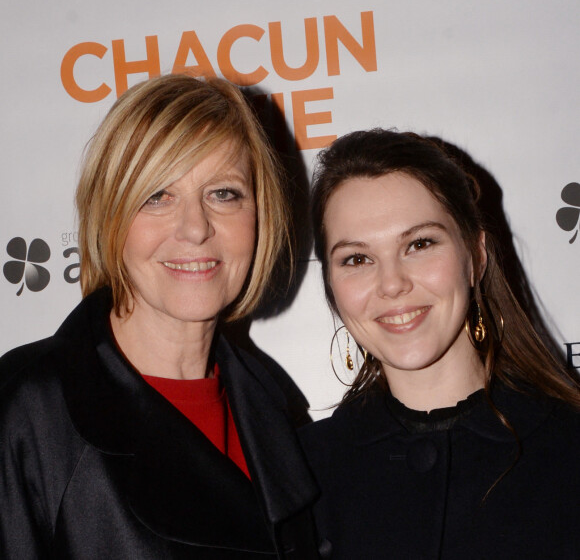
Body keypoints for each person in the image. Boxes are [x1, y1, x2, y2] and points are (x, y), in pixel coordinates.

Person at [0, 74, 319, 559]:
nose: (195, 229)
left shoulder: (276, 413)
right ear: (109, 214)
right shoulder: (30, 410)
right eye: (157, 196)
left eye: (224, 193)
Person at [299, 129, 580, 559]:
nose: (392, 284)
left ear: (477, 257)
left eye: (420, 244)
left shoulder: (568, 445)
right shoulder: (300, 476)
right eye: (357, 258)